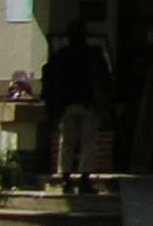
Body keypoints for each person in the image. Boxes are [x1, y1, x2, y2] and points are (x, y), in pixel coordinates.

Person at [42, 22, 111, 193]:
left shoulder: (60, 56)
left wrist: (54, 106)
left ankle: (66, 178)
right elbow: (105, 79)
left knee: (66, 142)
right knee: (88, 142)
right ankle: (84, 179)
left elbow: (50, 79)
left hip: (67, 105)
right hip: (89, 104)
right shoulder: (93, 55)